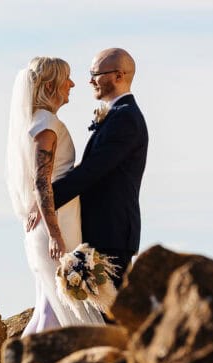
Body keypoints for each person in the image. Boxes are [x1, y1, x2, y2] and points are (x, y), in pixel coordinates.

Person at [7, 57, 105, 335]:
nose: (72, 84)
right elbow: (41, 180)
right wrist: (55, 234)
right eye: (67, 79)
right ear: (50, 85)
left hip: (57, 219)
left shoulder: (41, 120)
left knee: (46, 309)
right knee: (55, 311)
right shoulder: (46, 124)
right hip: (57, 224)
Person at [51, 48, 148, 289]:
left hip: (111, 231)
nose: (90, 80)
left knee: (111, 315)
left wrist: (47, 199)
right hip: (102, 230)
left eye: (96, 74)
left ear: (118, 75)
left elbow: (92, 171)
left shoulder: (125, 118)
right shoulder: (118, 115)